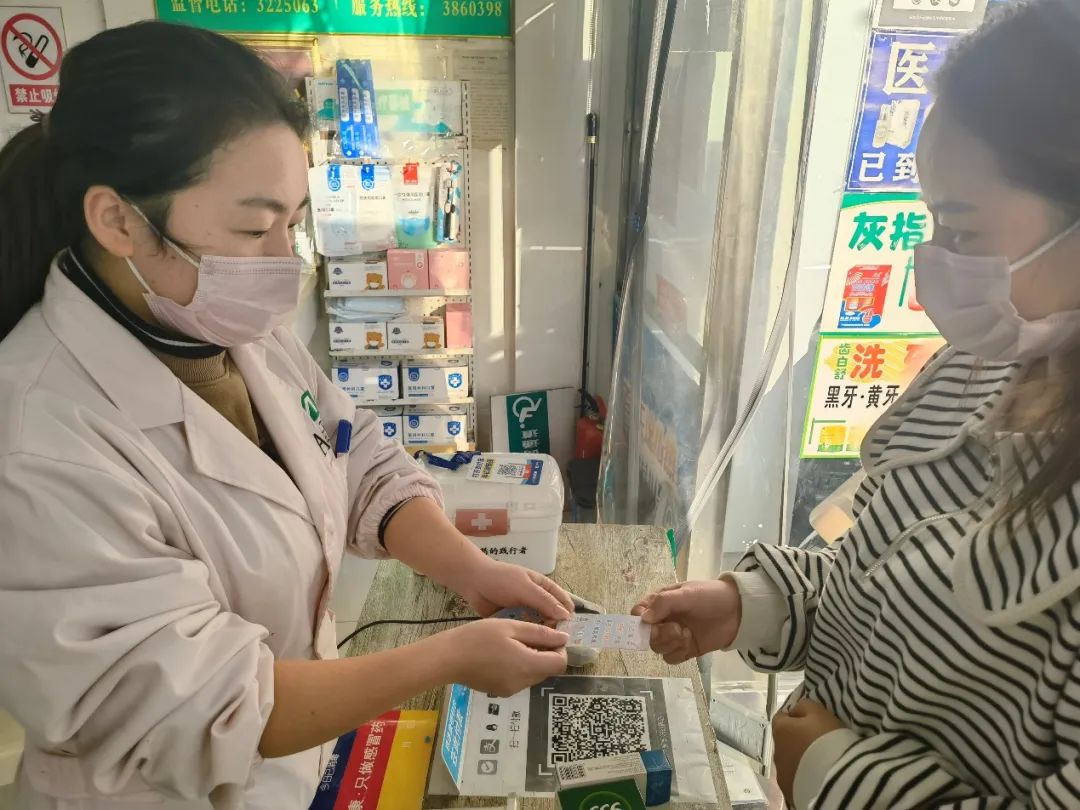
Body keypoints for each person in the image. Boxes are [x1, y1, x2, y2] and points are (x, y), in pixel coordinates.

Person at [0, 22, 571, 809]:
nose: (281, 261)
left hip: (290, 773)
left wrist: (469, 569)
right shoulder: (37, 439)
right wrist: (450, 658)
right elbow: (208, 707)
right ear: (118, 220)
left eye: (292, 223)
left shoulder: (226, 328)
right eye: (251, 227)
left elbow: (356, 454)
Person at [635, 2, 1080, 808]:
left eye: (963, 231)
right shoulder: (980, 367)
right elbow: (879, 572)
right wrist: (749, 606)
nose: (935, 262)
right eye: (931, 223)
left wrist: (839, 775)